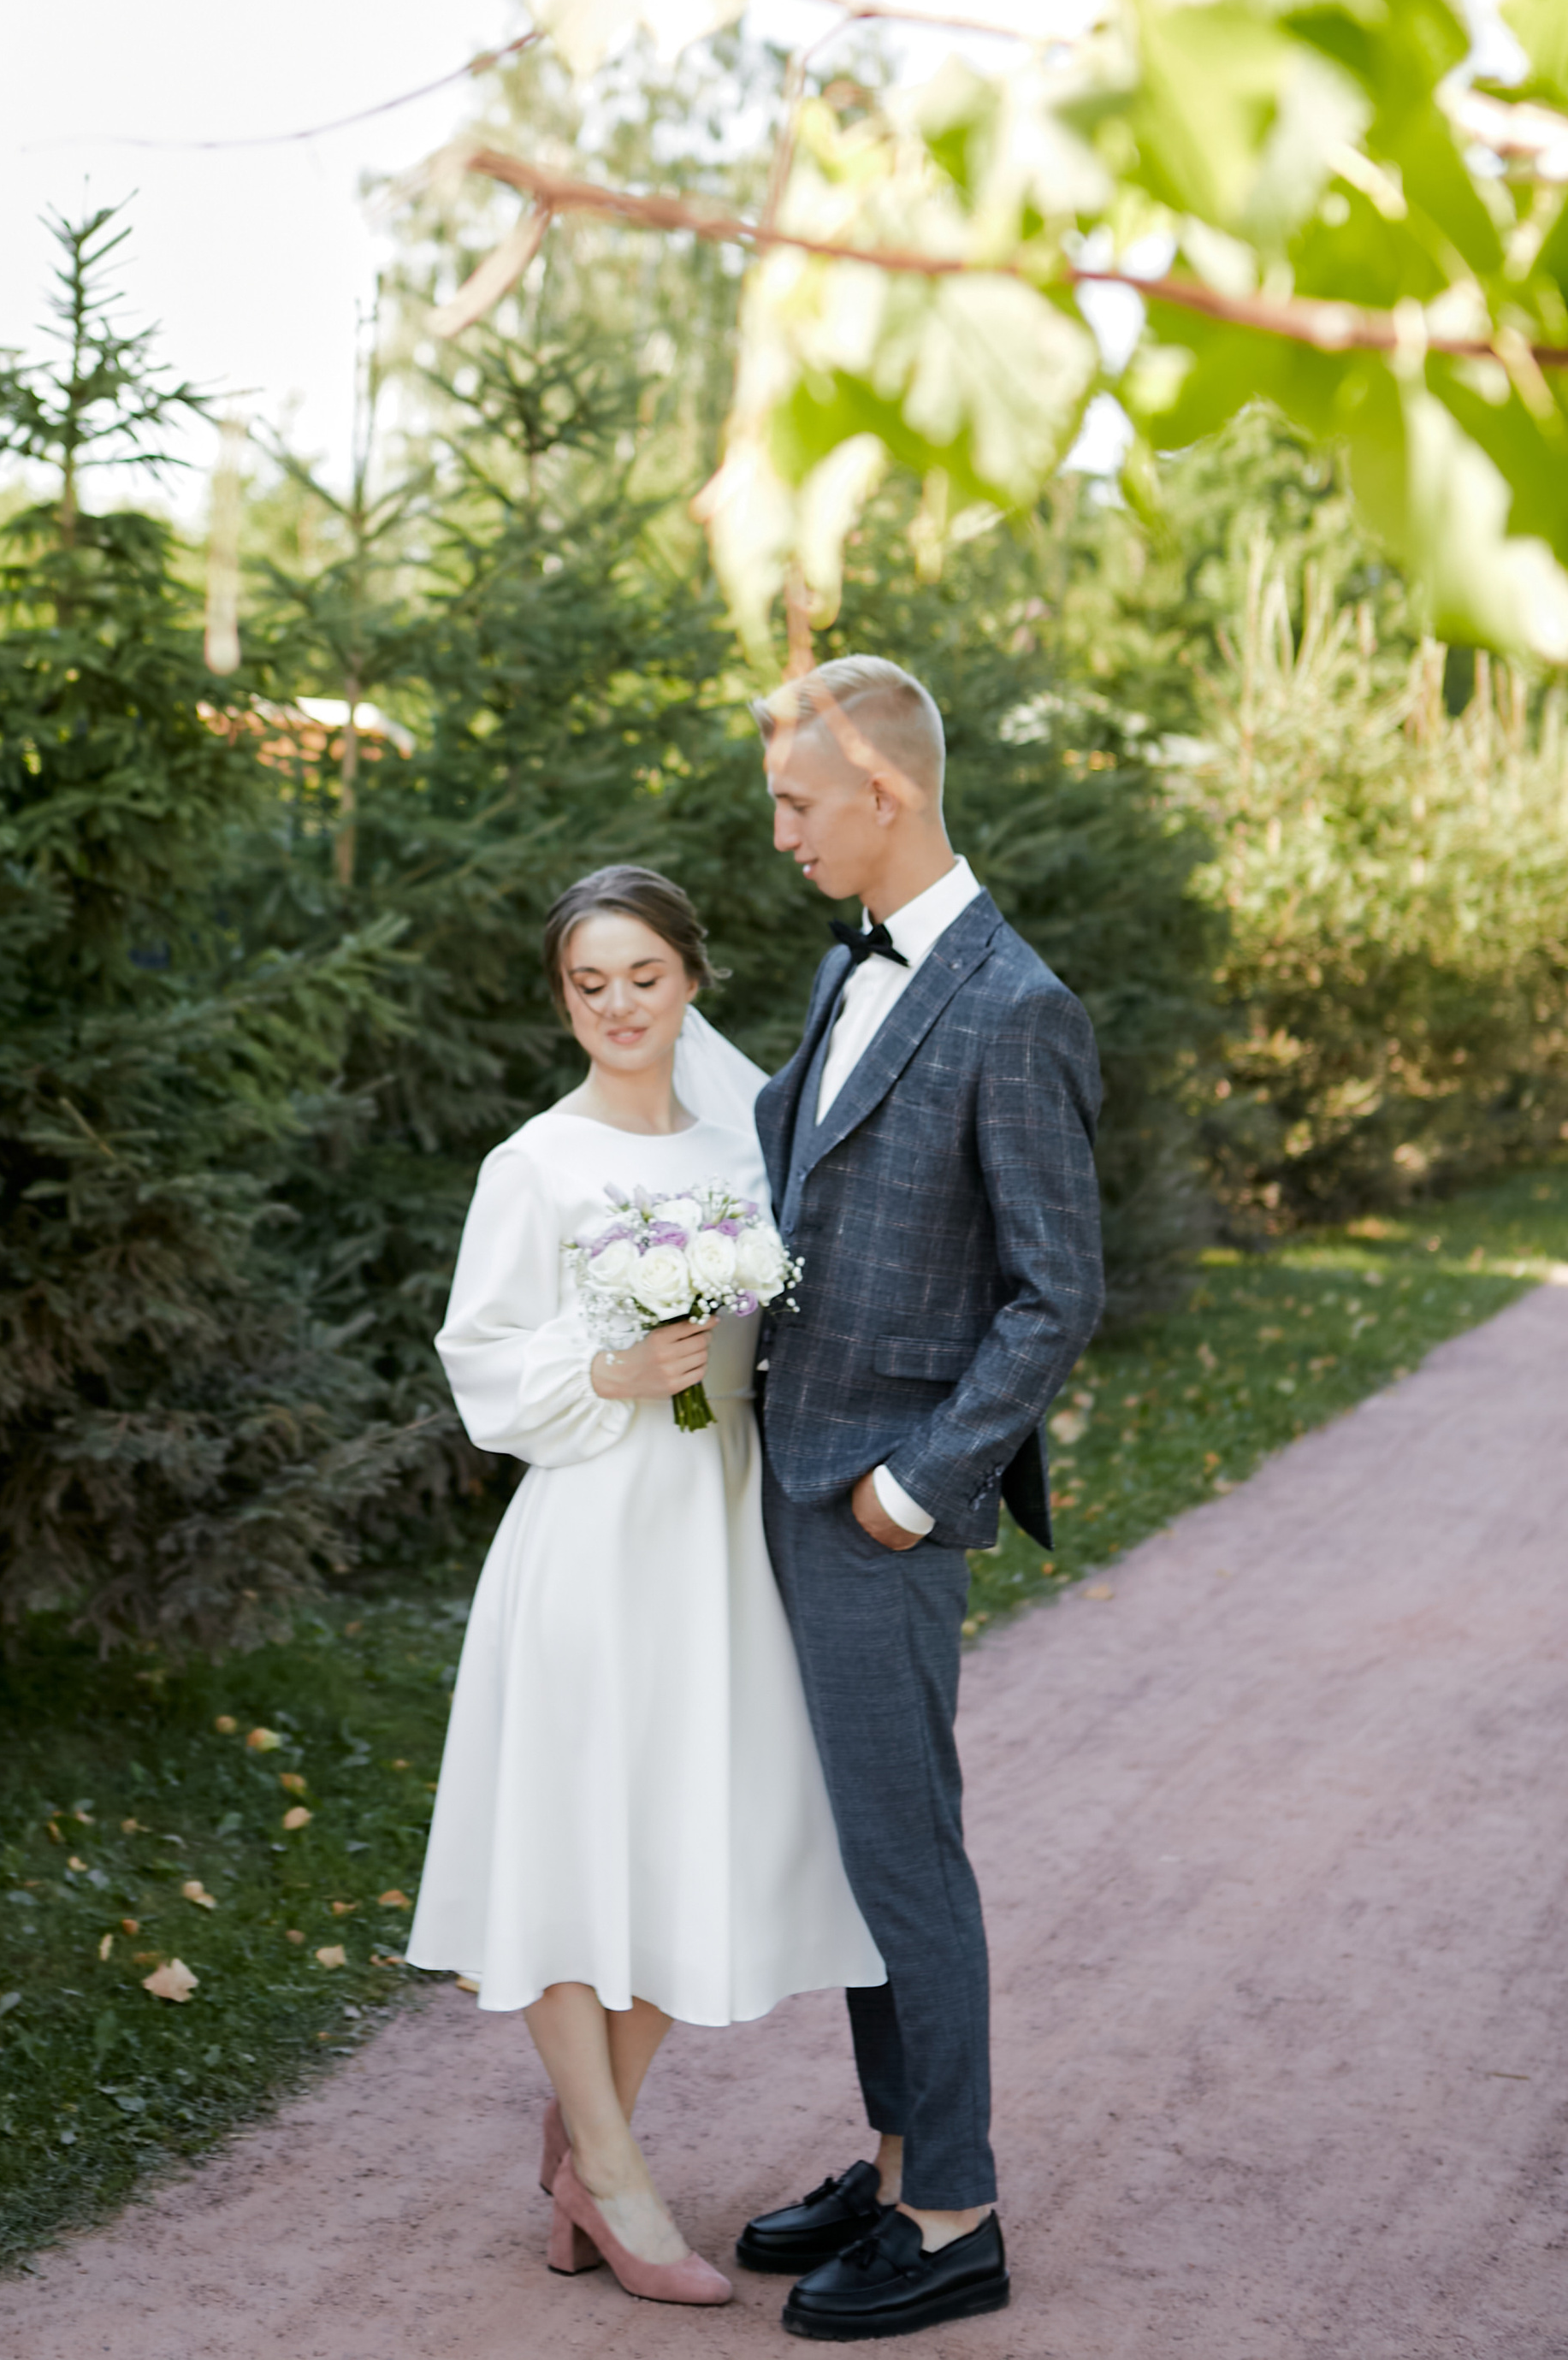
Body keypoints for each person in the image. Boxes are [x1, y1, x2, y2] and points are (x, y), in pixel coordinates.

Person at [406, 861, 885, 2309]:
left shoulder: (747, 1147)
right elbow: (481, 1366)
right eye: (587, 984)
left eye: (643, 976)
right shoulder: (534, 1165)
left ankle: (583, 2142)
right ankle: (613, 2176)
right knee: (567, 1845)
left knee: (704, 1831)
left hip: (722, 1531)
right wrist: (606, 1372)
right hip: (594, 1533)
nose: (617, 1005)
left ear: (691, 979)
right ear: (565, 1001)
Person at [732, 654, 1103, 2342]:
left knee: (904, 1855)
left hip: (872, 1504)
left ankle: (949, 2214)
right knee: (857, 1850)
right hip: (786, 1471)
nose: (782, 833)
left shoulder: (1011, 1003)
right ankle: (892, 2160)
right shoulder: (850, 967)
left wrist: (914, 1484)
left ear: (881, 793)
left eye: (798, 803)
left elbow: (1053, 1292)